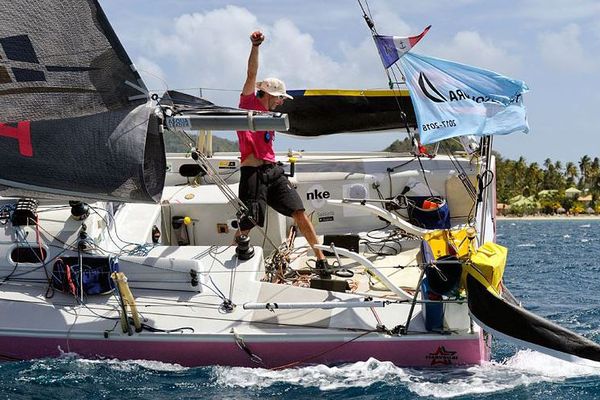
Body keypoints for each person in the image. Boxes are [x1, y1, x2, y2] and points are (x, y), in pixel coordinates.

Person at [236, 30, 329, 276]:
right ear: (266, 94)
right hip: (252, 171)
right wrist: (256, 46)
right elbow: (251, 74)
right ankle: (236, 253)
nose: (281, 102)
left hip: (272, 170)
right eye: (278, 97)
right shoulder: (249, 104)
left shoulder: (272, 117)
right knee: (250, 220)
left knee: (298, 211)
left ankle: (320, 259)